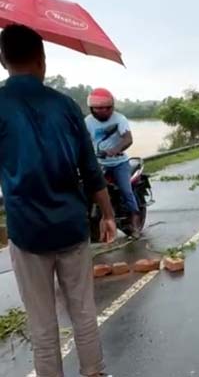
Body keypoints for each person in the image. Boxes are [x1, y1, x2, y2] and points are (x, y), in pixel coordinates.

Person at [0, 24, 116, 377]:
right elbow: (91, 168)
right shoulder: (65, 106)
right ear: (42, 60)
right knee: (83, 312)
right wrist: (108, 214)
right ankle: (94, 372)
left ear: (3, 60)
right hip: (71, 225)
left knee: (42, 323)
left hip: (26, 230)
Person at [85, 88, 141, 237]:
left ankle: (135, 218)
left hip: (119, 163)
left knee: (126, 190)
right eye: (99, 108)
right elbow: (82, 141)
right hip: (99, 163)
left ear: (113, 107)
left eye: (107, 108)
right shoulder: (87, 122)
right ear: (92, 108)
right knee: (89, 188)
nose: (104, 111)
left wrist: (115, 149)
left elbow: (128, 138)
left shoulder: (119, 119)